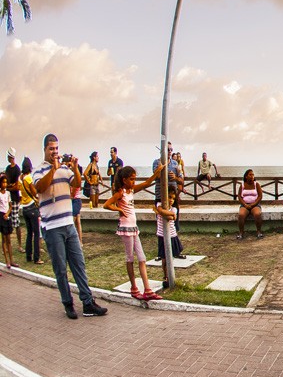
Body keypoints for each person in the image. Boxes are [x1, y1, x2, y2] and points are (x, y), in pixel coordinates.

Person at [32, 134, 108, 319]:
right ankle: (68, 303)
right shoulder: (39, 171)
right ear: (44, 149)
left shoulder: (65, 169)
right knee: (60, 269)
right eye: (51, 149)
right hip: (52, 228)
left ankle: (88, 303)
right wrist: (54, 169)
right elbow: (40, 188)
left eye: (56, 149)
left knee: (79, 265)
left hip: (68, 224)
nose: (55, 152)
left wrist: (73, 166)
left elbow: (76, 184)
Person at [104, 165, 164, 300]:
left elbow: (146, 183)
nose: (133, 182)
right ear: (124, 180)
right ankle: (134, 287)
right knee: (130, 258)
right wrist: (119, 210)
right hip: (126, 228)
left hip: (134, 228)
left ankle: (147, 289)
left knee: (142, 258)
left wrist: (157, 173)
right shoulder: (120, 193)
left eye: (134, 179)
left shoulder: (131, 190)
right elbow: (106, 204)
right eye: (131, 179)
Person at [154, 185, 185, 275]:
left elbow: (169, 217)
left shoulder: (174, 209)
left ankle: (170, 274)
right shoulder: (159, 205)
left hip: (172, 235)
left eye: (173, 198)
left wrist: (170, 214)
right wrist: (170, 214)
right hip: (161, 235)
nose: (171, 200)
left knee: (170, 257)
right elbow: (163, 212)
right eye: (169, 197)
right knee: (164, 258)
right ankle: (165, 275)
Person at [19, 157, 41, 265]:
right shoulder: (28, 178)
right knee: (36, 233)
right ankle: (37, 258)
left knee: (29, 233)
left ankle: (28, 255)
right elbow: (34, 192)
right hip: (32, 207)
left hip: (24, 207)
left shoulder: (21, 178)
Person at [237, 168, 264, 239]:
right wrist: (245, 204)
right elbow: (239, 196)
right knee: (241, 215)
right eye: (250, 174)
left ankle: (259, 232)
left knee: (257, 214)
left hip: (255, 205)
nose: (252, 176)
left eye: (253, 175)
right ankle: (241, 232)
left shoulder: (256, 184)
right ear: (246, 176)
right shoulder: (242, 185)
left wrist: (253, 204)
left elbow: (260, 196)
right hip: (244, 205)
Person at [5, 148, 23, 253]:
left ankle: (19, 245)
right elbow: (7, 183)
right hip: (9, 198)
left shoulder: (16, 169)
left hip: (15, 199)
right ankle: (9, 245)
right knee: (8, 222)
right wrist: (10, 186)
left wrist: (9, 187)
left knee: (16, 222)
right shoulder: (8, 168)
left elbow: (16, 187)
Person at [0, 175, 12, 270]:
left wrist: (8, 213)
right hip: (1, 215)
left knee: (9, 239)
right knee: (4, 238)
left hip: (7, 215)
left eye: (5, 182)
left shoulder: (7, 193)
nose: (4, 184)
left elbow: (10, 205)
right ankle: (7, 260)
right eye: (3, 182)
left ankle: (11, 260)